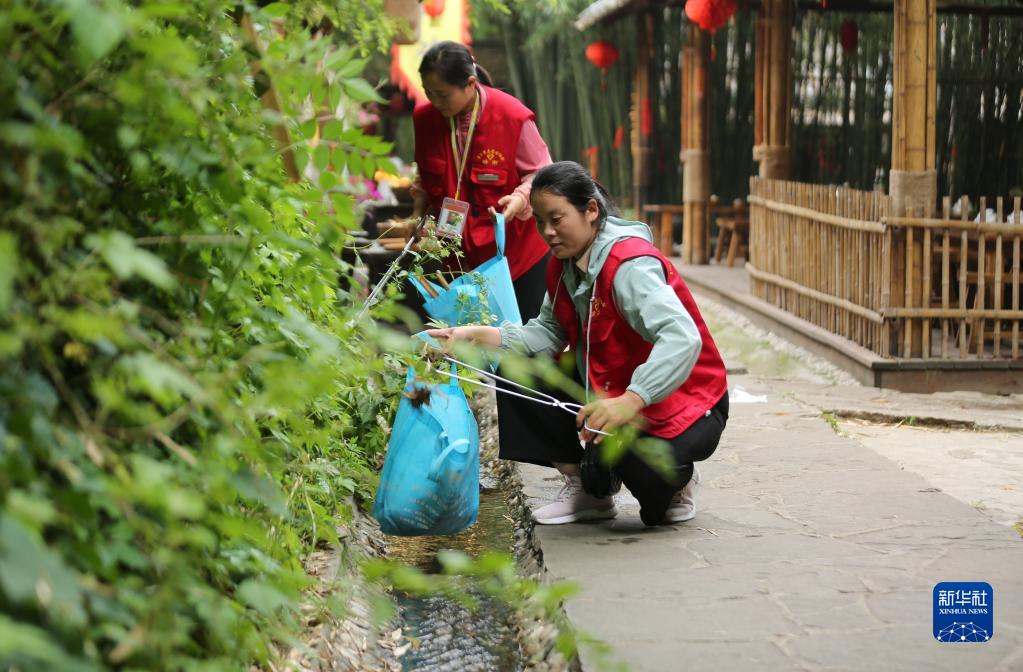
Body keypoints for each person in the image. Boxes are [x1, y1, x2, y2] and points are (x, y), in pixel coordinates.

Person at [427, 161, 729, 527]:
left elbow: (682, 337)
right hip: (611, 393)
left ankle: (681, 481)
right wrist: (475, 335)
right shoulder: (564, 264)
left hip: (686, 399)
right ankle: (586, 490)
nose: (548, 232)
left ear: (591, 210)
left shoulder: (629, 266)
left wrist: (632, 400)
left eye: (557, 219)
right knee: (516, 366)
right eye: (540, 222)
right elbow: (548, 332)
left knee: (652, 494)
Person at [411, 42, 581, 471]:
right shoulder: (425, 118)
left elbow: (540, 173)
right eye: (428, 93)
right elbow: (426, 181)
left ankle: (565, 462)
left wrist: (520, 199)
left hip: (516, 257)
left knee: (526, 352)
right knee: (464, 348)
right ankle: (461, 450)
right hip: (458, 256)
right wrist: (419, 221)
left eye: (443, 94)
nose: (435, 102)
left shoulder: (511, 116)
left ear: (470, 84)